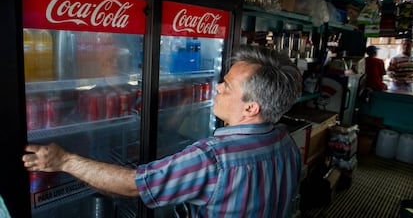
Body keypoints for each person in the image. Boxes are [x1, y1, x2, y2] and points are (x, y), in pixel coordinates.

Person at [22, 45, 303, 217]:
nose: (217, 87)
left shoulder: (214, 159)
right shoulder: (285, 142)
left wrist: (63, 161)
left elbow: (135, 185)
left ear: (251, 107)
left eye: (227, 86)